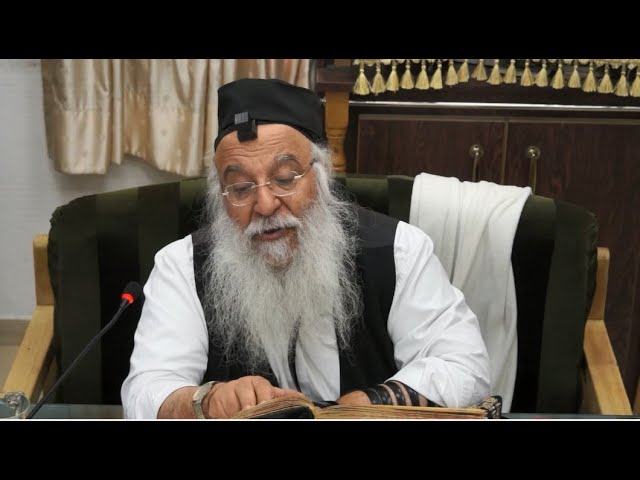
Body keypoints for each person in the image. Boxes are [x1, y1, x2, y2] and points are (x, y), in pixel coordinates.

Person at [121, 78, 490, 419]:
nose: (265, 205)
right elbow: (145, 391)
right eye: (241, 188)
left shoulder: (398, 250)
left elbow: (465, 366)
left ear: (322, 175)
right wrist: (206, 399)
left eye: (285, 179)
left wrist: (369, 405)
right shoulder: (181, 266)